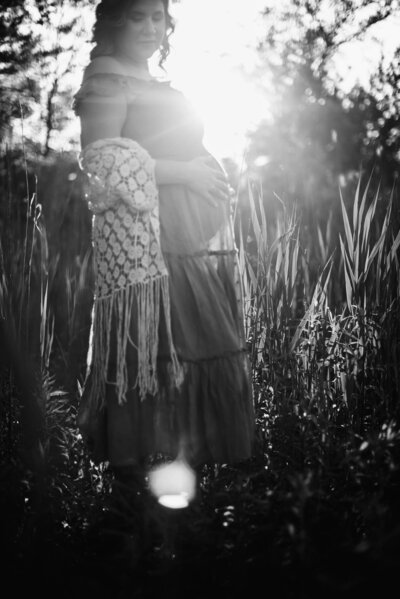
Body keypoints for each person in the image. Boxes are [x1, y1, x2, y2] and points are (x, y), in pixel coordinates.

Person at [72, 0, 255, 494]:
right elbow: (101, 160)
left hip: (187, 239)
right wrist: (188, 174)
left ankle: (190, 476)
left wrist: (207, 174)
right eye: (138, 17)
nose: (151, 27)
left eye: (158, 16)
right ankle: (134, 492)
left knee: (199, 341)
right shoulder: (108, 76)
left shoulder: (150, 77)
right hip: (147, 240)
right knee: (158, 345)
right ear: (114, 20)